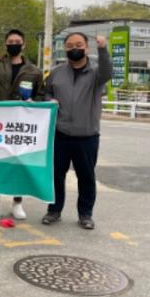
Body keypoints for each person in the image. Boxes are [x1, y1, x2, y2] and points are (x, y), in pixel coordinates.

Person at [42, 33, 112, 230]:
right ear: (65, 48)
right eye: (70, 45)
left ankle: (85, 214)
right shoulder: (56, 73)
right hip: (60, 134)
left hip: (87, 135)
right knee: (56, 175)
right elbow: (46, 92)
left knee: (86, 177)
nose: (74, 48)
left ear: (86, 48)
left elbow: (108, 73)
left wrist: (103, 49)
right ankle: (54, 210)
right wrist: (49, 100)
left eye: (79, 44)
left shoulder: (96, 72)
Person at [0, 29, 43, 221]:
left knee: (19, 164)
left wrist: (35, 102)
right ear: (5, 44)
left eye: (17, 41)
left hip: (20, 125)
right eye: (10, 42)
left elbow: (41, 95)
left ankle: (17, 203)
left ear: (24, 44)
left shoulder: (34, 71)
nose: (14, 44)